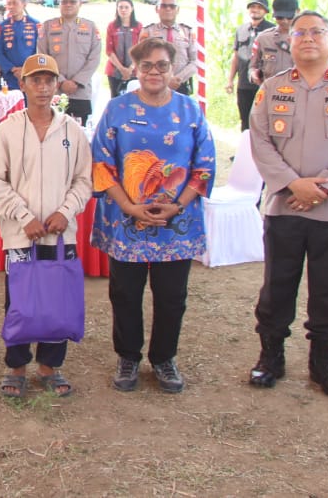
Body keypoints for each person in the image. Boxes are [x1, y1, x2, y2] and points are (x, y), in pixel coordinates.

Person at [248, 12, 328, 397]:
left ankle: (324, 364)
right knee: (277, 286)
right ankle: (270, 358)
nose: (308, 38)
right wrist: (292, 184)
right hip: (284, 207)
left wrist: (324, 188)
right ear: (290, 41)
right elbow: (259, 142)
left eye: (317, 32)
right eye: (300, 32)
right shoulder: (271, 88)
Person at [91, 37, 215, 394]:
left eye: (162, 65)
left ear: (172, 68)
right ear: (136, 70)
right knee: (125, 293)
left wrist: (178, 204)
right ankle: (128, 356)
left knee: (172, 295)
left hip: (177, 223)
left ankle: (164, 358)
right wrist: (129, 206)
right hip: (126, 220)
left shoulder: (190, 110)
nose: (154, 72)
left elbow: (204, 165)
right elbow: (101, 163)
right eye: (147, 66)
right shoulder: (116, 109)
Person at [0, 54, 92, 399]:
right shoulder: (7, 129)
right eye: (36, 80)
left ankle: (50, 365)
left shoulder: (72, 130)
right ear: (23, 84)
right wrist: (24, 216)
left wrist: (66, 211)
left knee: (57, 299)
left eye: (49, 80)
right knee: (20, 300)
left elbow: (83, 180)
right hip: (21, 234)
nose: (43, 87)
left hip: (61, 233)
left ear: (56, 84)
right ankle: (16, 366)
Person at [38, 0, 101, 126]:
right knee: (51, 131)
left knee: (79, 134)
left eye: (72, 2)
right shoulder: (48, 26)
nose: (68, 5)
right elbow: (43, 57)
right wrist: (60, 81)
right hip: (54, 91)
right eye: (64, 1)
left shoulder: (90, 27)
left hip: (81, 92)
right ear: (59, 3)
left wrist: (77, 82)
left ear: (80, 4)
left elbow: (95, 58)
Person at [225, 0, 275, 130]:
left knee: (263, 121)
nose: (255, 10)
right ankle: (245, 150)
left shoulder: (272, 31)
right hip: (244, 84)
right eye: (253, 7)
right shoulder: (241, 30)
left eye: (259, 7)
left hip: (264, 84)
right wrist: (230, 80)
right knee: (245, 120)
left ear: (266, 11)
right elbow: (236, 56)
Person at [138, 0, 194, 95]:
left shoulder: (187, 32)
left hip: (180, 85)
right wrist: (162, 79)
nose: (168, 9)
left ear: (178, 10)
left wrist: (178, 78)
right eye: (163, 6)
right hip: (154, 85)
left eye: (172, 6)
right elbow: (141, 60)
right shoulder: (148, 31)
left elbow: (195, 61)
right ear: (157, 9)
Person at [250, 0, 299, 86]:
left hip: (299, 94)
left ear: (298, 11)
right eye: (279, 17)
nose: (284, 21)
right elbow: (252, 66)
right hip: (271, 93)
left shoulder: (309, 39)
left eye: (289, 17)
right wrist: (253, 74)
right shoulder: (263, 38)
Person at [0, 0, 39, 91]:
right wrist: (13, 69)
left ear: (24, 4)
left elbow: (40, 51)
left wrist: (26, 69)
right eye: (9, 4)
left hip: (31, 75)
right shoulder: (1, 27)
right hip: (10, 76)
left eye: (15, 3)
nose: (11, 7)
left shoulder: (36, 25)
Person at [104, 0, 142, 99]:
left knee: (135, 101)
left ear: (132, 9)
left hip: (134, 71)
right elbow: (109, 50)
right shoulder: (112, 26)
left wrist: (130, 69)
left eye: (126, 7)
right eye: (121, 7)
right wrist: (122, 69)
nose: (123, 10)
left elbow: (141, 50)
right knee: (116, 99)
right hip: (114, 71)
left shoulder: (139, 26)